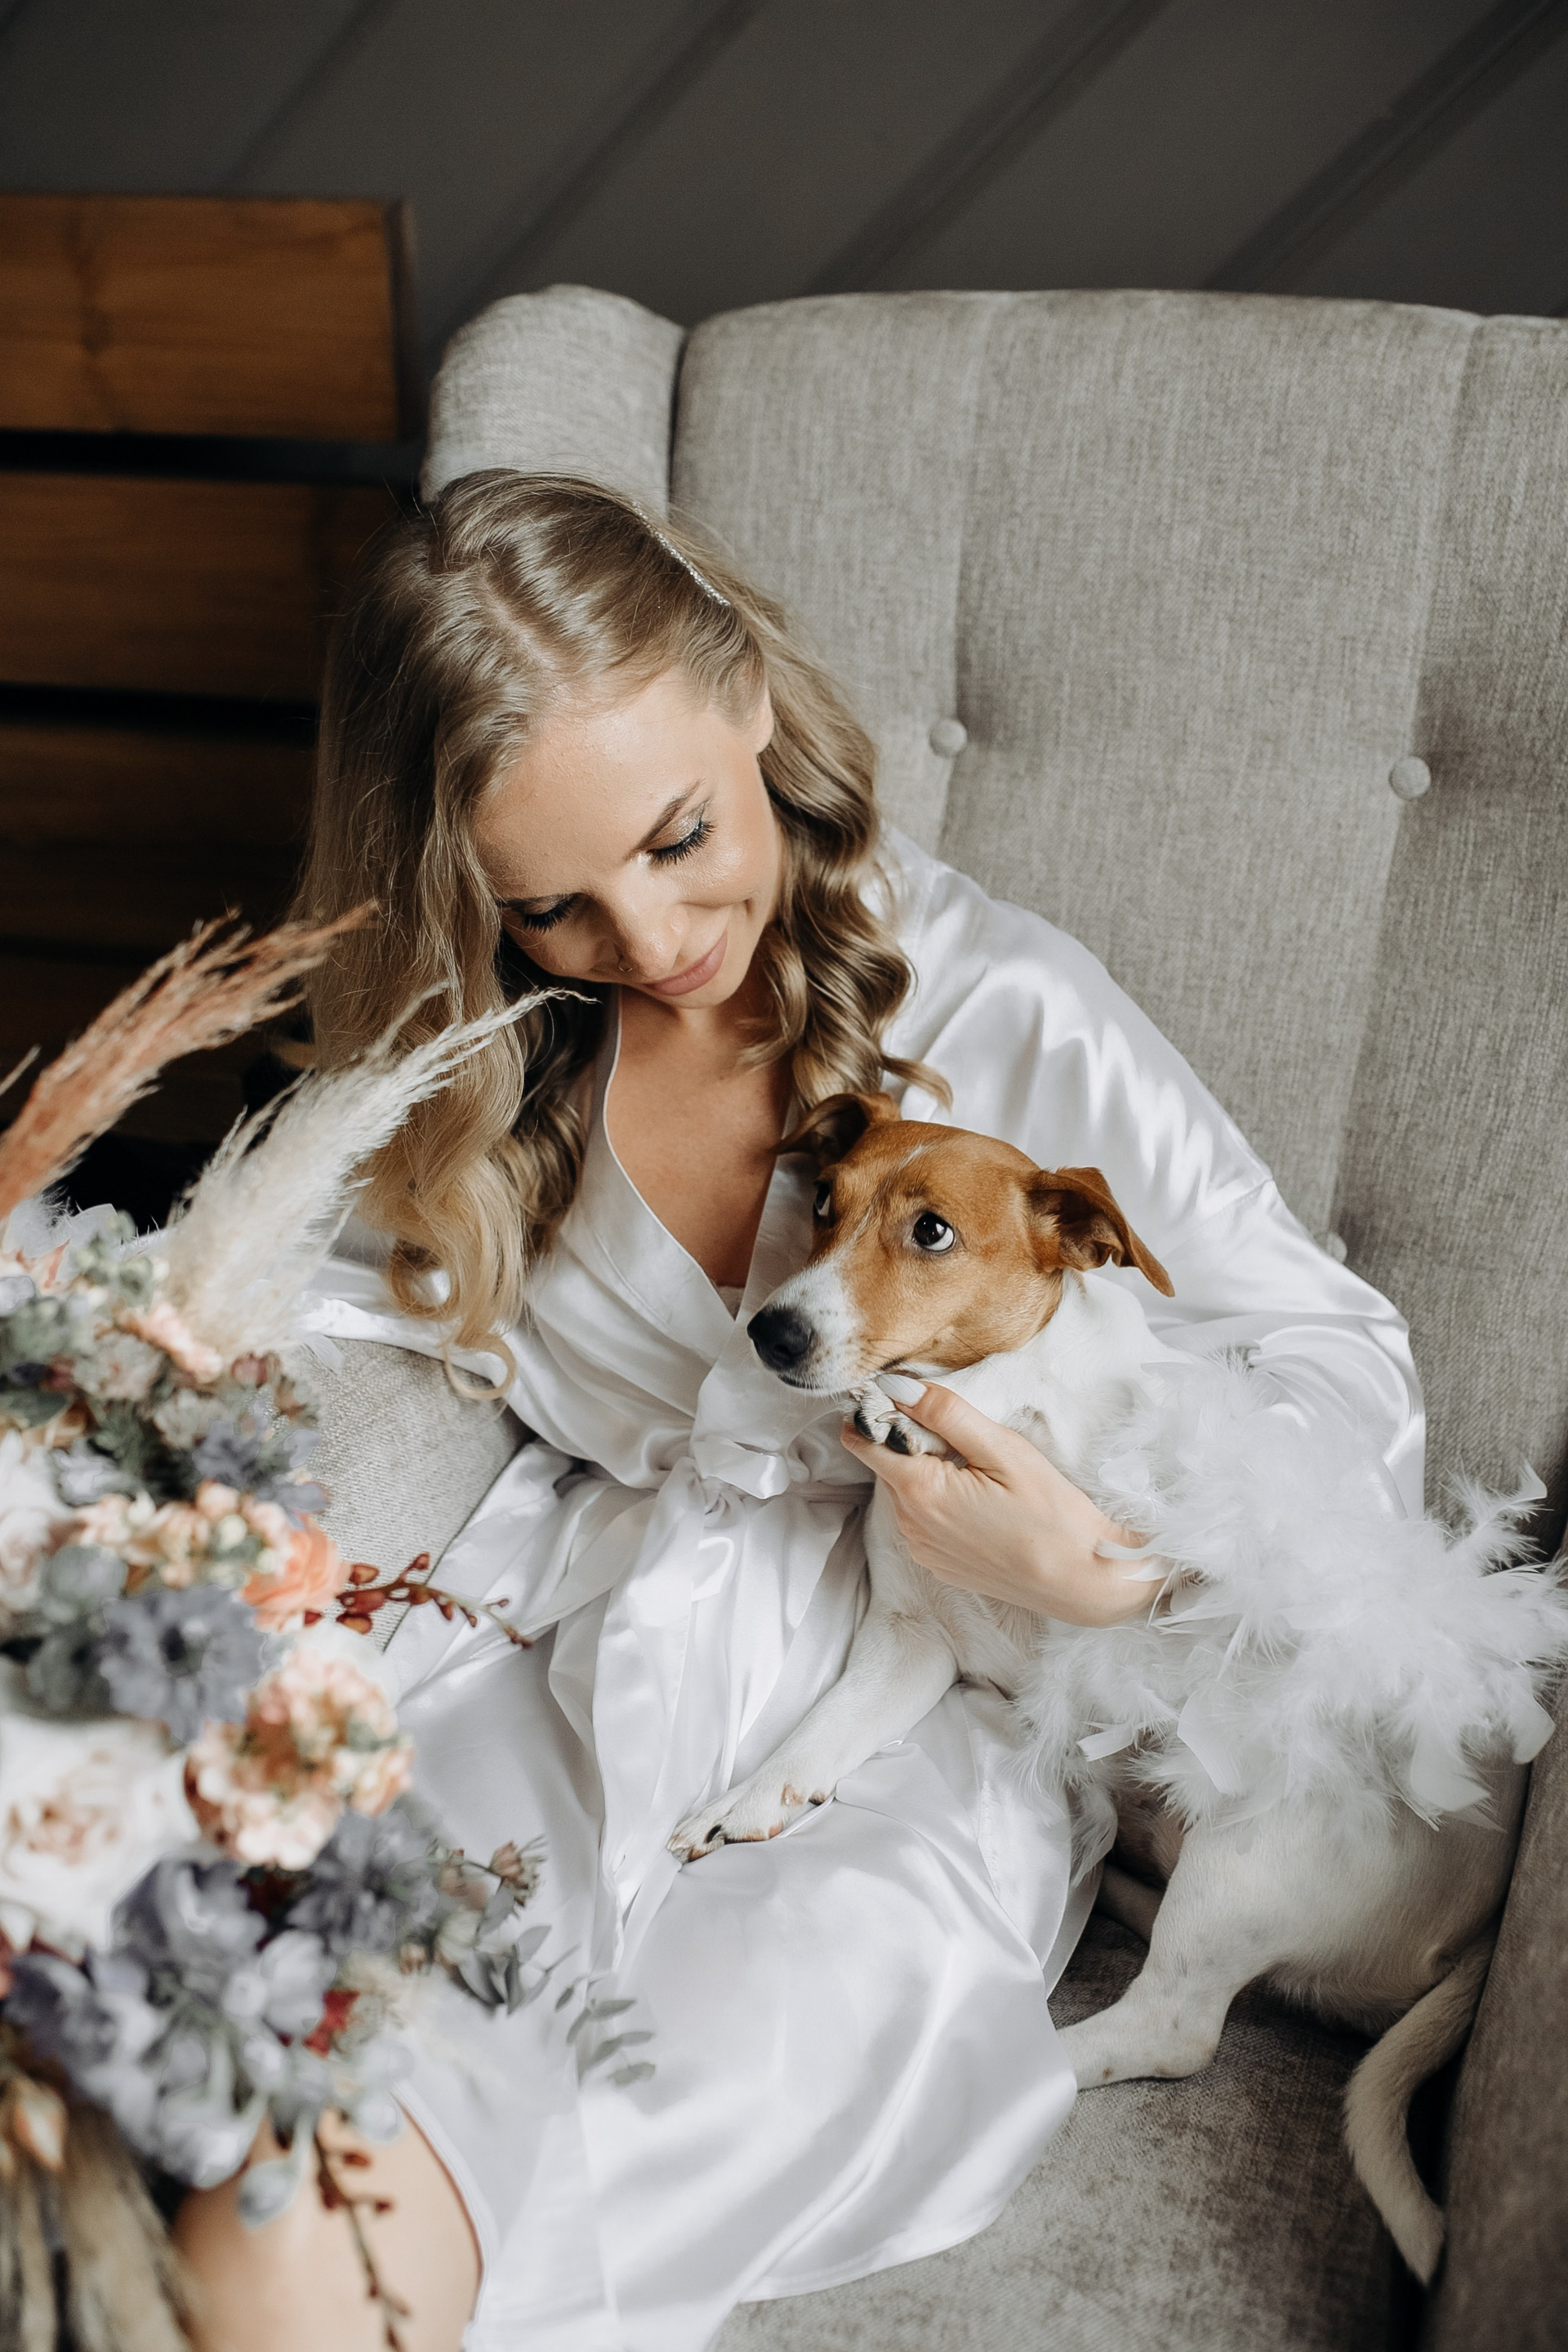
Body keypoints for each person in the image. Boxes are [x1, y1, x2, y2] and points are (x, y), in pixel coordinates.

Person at [174, 474, 1422, 2352]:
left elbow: (1339, 1360)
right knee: (326, 2061)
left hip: (937, 1706)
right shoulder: (491, 1050)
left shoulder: (1007, 1008)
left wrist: (1120, 1568)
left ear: (748, 698)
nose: (651, 934)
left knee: (677, 2086)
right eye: (552, 904)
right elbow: (329, 1307)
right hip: (572, 1627)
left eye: (681, 837)